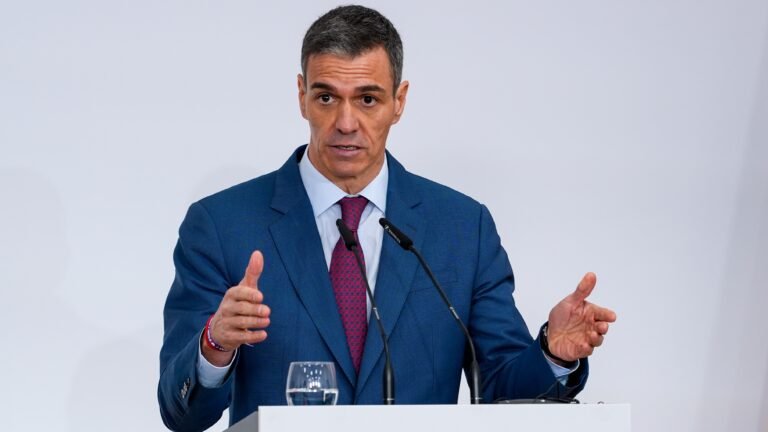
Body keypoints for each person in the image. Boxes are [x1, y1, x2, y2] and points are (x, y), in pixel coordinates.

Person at [158, 5, 617, 431]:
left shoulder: (462, 229)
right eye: (326, 97)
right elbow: (181, 414)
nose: (345, 122)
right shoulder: (221, 225)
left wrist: (553, 354)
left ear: (399, 101)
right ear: (301, 96)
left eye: (367, 99)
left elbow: (500, 388)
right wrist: (214, 344)